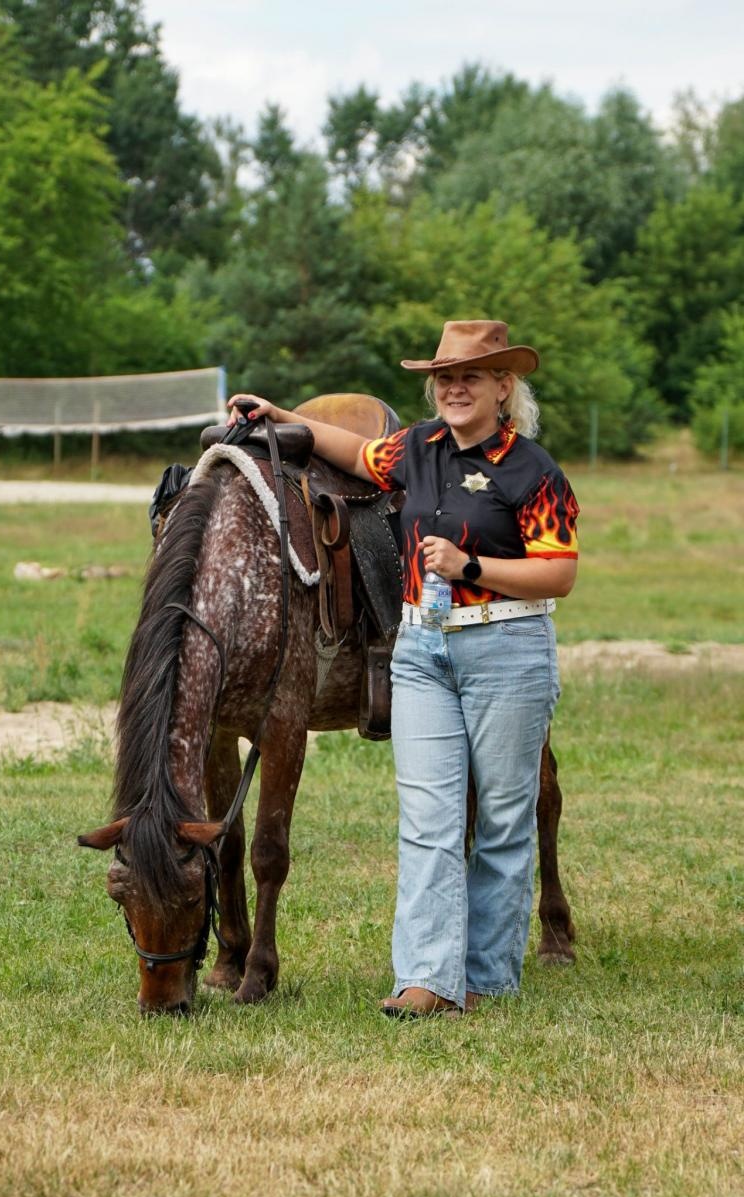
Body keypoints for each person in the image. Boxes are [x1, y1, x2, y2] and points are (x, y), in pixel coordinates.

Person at [229, 319, 579, 1017]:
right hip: (421, 652)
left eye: (469, 376)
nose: (453, 388)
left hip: (505, 649)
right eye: (443, 377)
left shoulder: (533, 470)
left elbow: (560, 574)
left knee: (505, 820)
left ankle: (483, 976)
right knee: (427, 820)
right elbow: (355, 452)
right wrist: (281, 415)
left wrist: (469, 565)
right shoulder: (416, 449)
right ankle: (424, 979)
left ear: (503, 386)